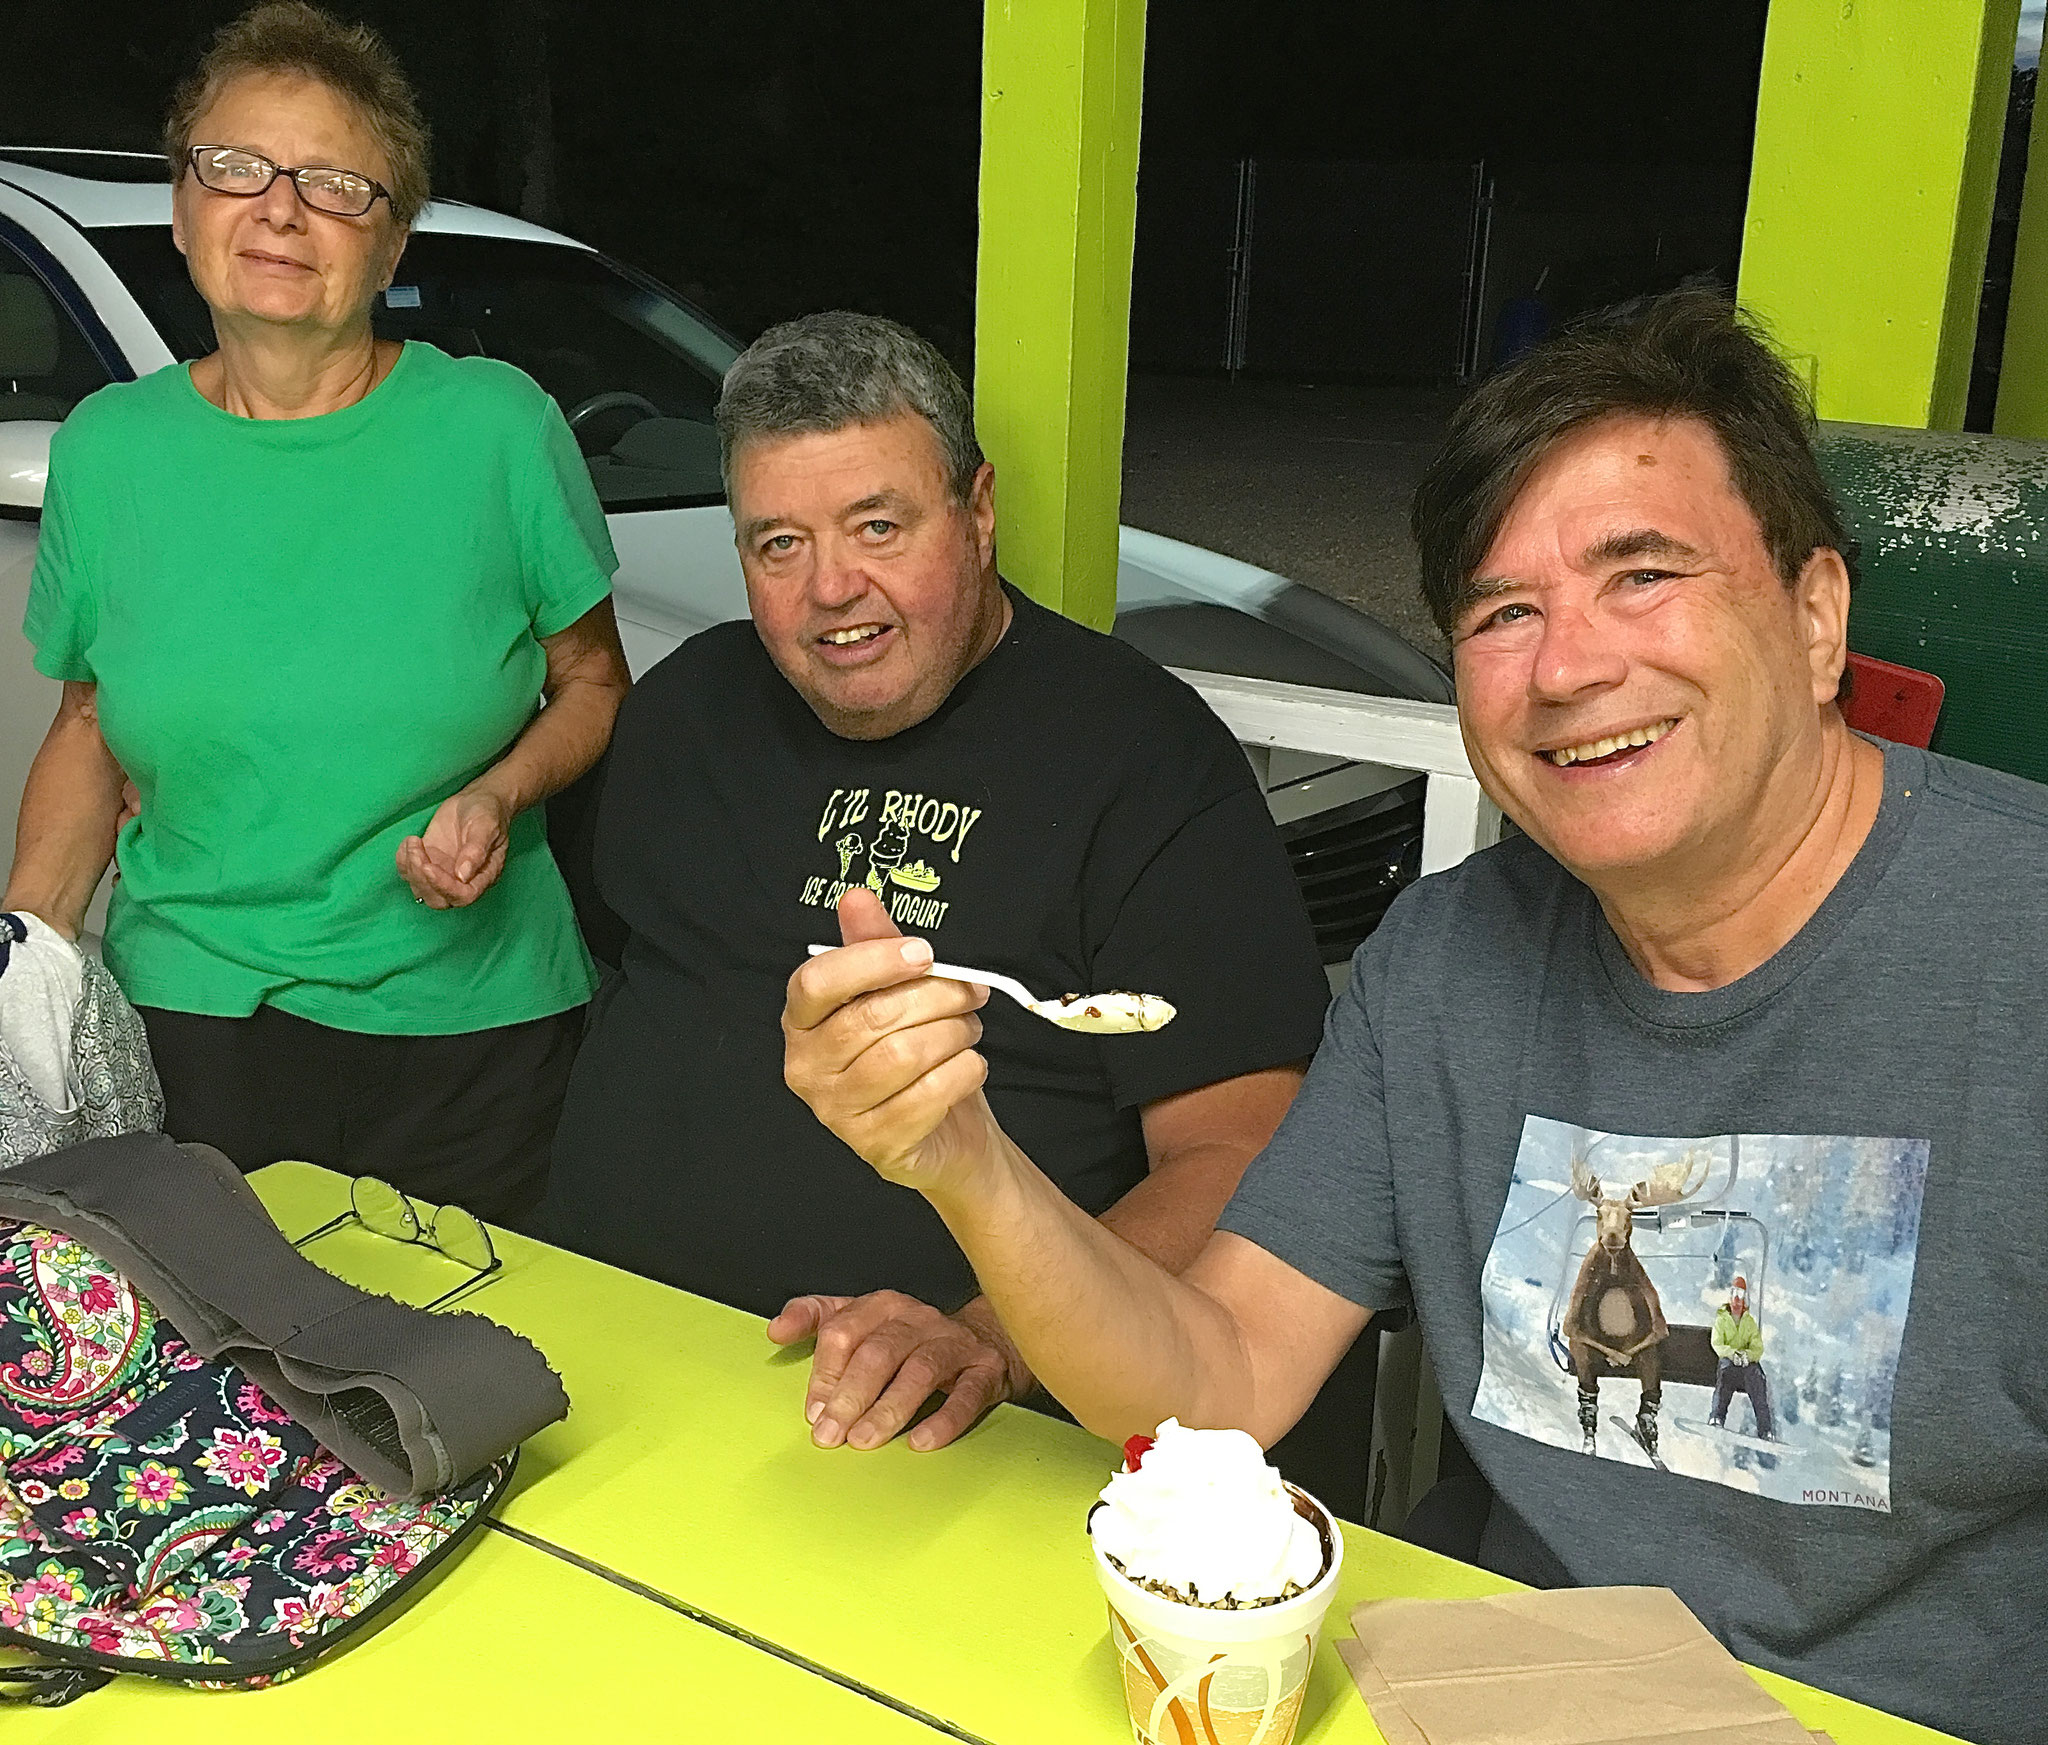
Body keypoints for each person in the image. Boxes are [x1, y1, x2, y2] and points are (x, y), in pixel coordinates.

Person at [781, 291, 2047, 1745]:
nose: (1567, 667)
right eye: (1505, 613)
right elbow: (1220, 1383)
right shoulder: (1448, 959)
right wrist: (968, 1162)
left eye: (1642, 576)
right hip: (1497, 1693)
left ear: (1815, 613)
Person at [539, 311, 1329, 1454]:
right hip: (601, 1359)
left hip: (912, 1429)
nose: (830, 588)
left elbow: (1238, 1149)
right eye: (779, 544)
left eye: (877, 524)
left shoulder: (1135, 752)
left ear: (978, 510)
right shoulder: (683, 707)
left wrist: (986, 1333)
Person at [5, 3, 629, 1221]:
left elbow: (594, 680)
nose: (281, 209)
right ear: (185, 209)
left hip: (471, 1030)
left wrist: (499, 793)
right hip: (187, 1024)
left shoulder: (497, 428)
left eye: (340, 184)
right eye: (236, 168)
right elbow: (88, 721)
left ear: (392, 246)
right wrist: (27, 957)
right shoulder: (110, 450)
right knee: (216, 1382)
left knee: (484, 1374)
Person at [1708, 1276, 1773, 1440]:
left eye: (1741, 1295)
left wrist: (1747, 1356)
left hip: (1746, 1365)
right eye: (1734, 1294)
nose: (1737, 1299)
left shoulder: (1749, 1322)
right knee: (1725, 1377)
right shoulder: (1722, 1320)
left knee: (1757, 1379)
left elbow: (1757, 1347)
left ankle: (1765, 1429)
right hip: (1729, 1362)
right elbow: (1717, 1343)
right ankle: (1717, 1416)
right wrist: (1731, 1354)